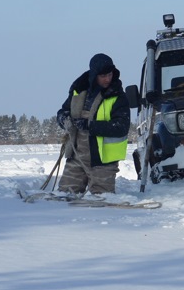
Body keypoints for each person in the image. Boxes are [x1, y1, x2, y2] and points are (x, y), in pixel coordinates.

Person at [55, 53, 131, 195]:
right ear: (94, 75)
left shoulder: (118, 97)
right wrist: (63, 119)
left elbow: (121, 127)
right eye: (103, 76)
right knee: (64, 197)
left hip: (103, 162)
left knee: (102, 201)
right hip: (76, 158)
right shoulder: (79, 91)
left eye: (109, 74)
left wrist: (90, 126)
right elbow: (63, 111)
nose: (107, 79)